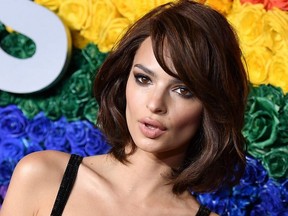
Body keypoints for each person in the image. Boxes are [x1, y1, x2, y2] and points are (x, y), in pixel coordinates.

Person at [0, 0, 249, 215]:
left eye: (183, 90)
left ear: (211, 107)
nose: (154, 104)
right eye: (144, 79)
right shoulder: (42, 177)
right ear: (124, 82)